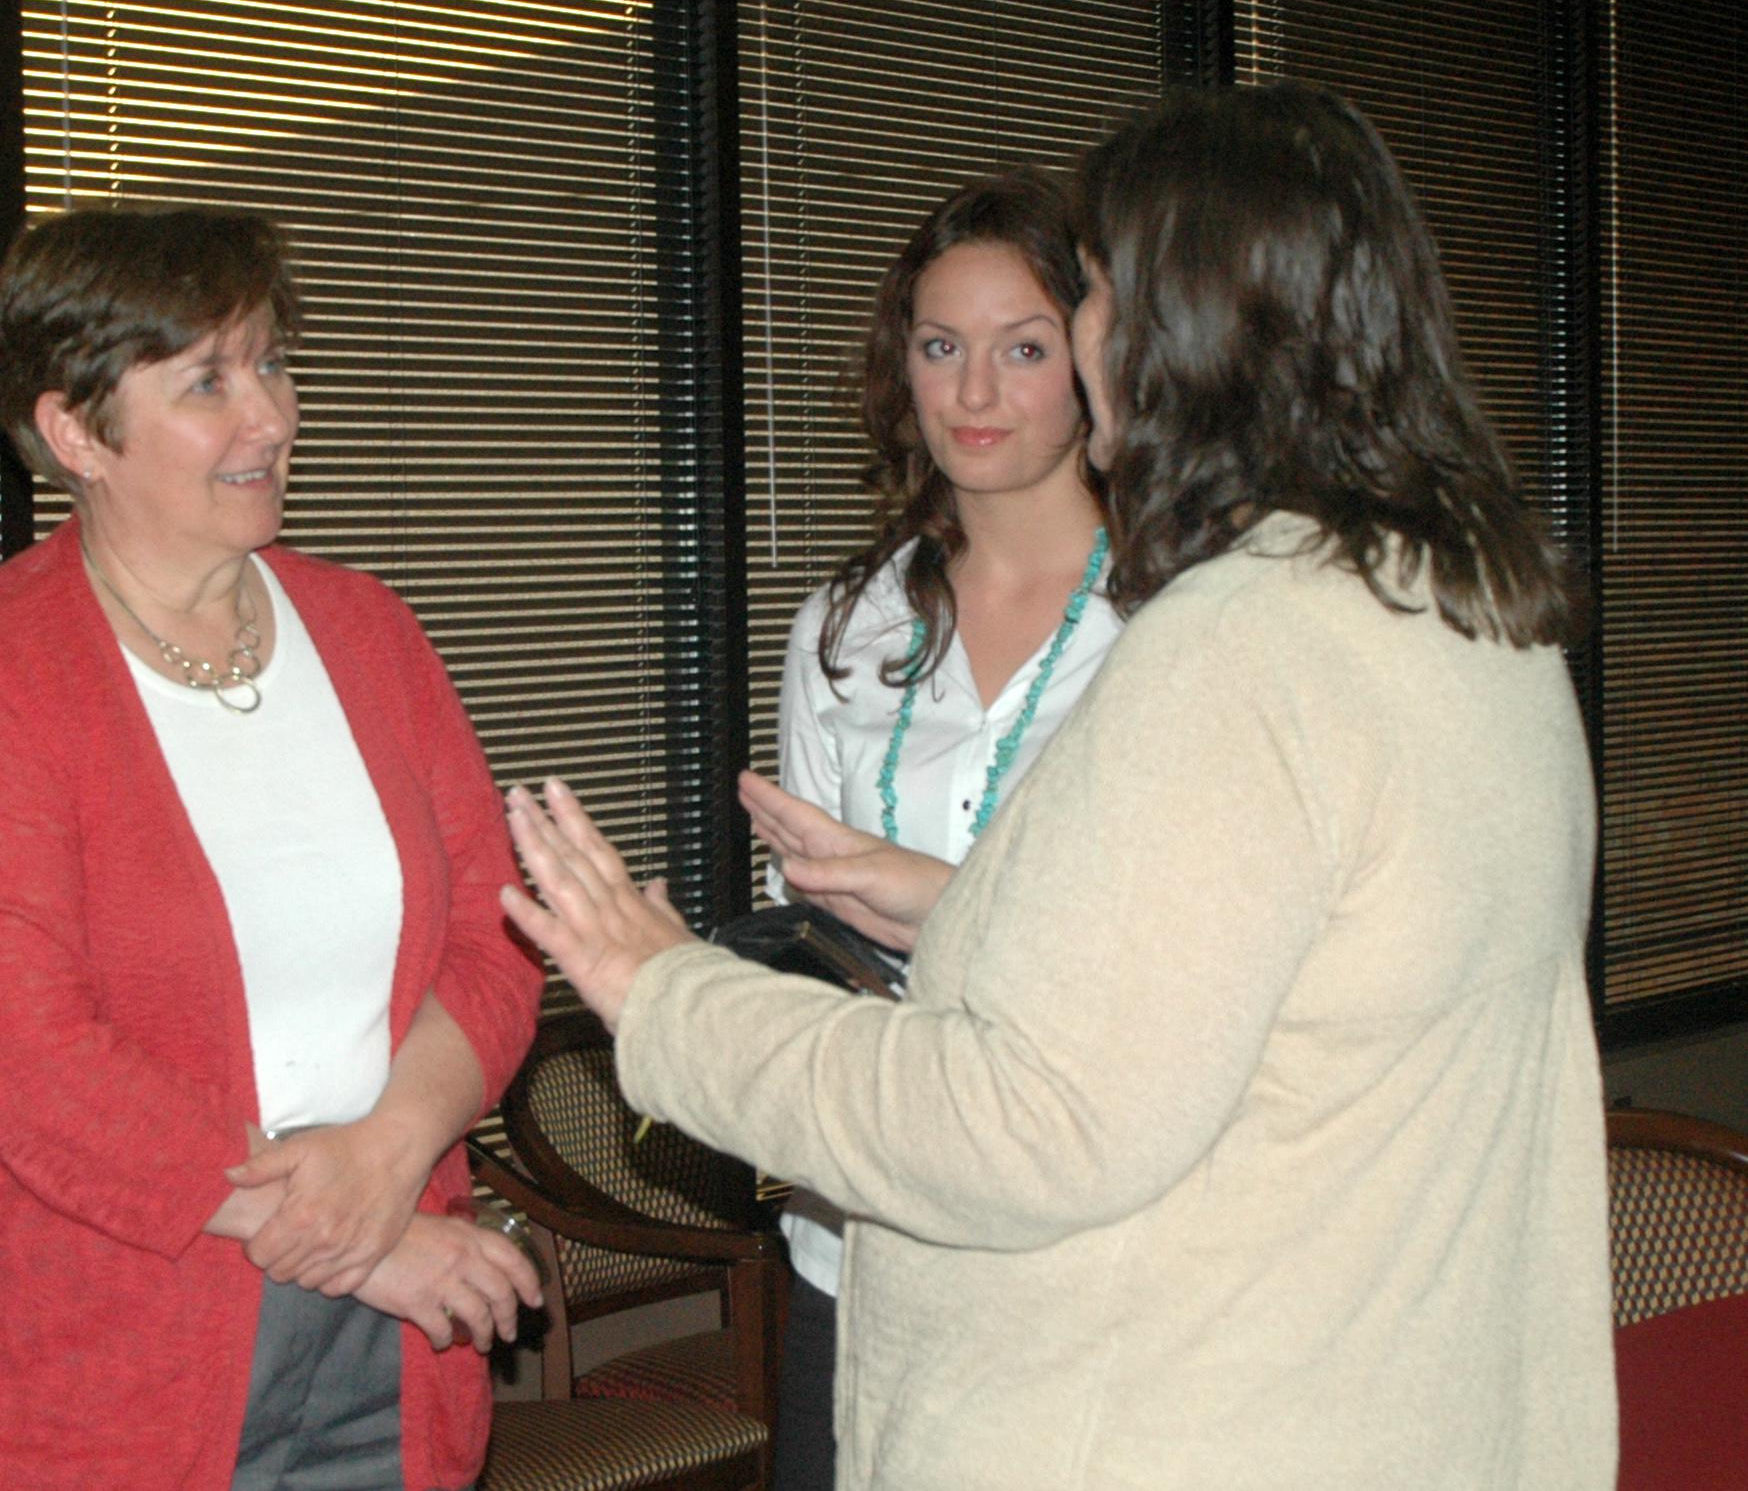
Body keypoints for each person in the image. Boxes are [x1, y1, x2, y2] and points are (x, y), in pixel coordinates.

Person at [501, 81, 1615, 1491]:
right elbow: (1253, 1008)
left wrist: (667, 995)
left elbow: (1028, 1126)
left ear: (1177, 324)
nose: (1069, 350)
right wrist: (951, 906)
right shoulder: (1466, 619)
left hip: (1183, 1414)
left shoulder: (1233, 646)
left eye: (1081, 301)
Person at [0, 206, 543, 1491]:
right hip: (93, 1347)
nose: (270, 418)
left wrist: (392, 1158)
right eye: (208, 383)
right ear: (75, 432)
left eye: (274, 364)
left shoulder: (370, 634)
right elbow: (28, 1063)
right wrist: (349, 1237)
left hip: (391, 1325)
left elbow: (490, 939)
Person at [761, 168, 1121, 1491]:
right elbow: (809, 928)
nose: (974, 393)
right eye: (940, 347)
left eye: (1022, 349)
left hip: (1077, 1258)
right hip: (857, 1241)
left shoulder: (1179, 623)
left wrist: (943, 895)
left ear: (1093, 361)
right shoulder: (846, 626)